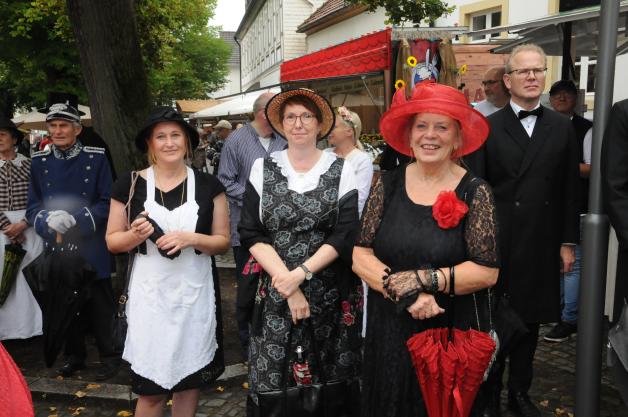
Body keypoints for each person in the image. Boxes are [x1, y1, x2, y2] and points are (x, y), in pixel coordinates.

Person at [353, 80, 499, 417]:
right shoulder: (387, 185)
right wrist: (406, 294)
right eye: (421, 125)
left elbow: (486, 271)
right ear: (409, 134)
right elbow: (361, 255)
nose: (429, 135)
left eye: (441, 127)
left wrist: (423, 280)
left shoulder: (475, 192)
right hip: (389, 330)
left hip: (447, 336)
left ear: (458, 138)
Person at [465, 44, 580, 417]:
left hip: (541, 241)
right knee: (494, 319)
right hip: (498, 242)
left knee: (530, 323)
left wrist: (567, 241)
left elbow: (568, 190)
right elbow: (477, 189)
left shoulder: (562, 127)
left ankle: (519, 392)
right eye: (524, 71)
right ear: (508, 80)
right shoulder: (487, 127)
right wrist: (476, 245)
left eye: (538, 71)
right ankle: (489, 393)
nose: (532, 77)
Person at [238, 89, 362, 409]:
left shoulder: (341, 169)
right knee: (275, 384)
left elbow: (344, 233)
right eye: (291, 116)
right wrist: (289, 283)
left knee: (330, 381)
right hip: (276, 290)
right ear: (280, 124)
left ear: (320, 124)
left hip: (329, 291)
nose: (299, 124)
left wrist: (303, 272)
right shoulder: (262, 169)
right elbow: (251, 231)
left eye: (306, 116)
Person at [105, 107, 230, 417]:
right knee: (151, 394)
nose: (169, 142)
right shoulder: (129, 185)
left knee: (188, 387)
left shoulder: (208, 186)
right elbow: (112, 241)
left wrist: (191, 238)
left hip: (194, 299)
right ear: (150, 143)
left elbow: (223, 241)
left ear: (187, 142)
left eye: (176, 135)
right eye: (161, 136)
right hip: (150, 301)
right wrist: (135, 235)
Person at [26, 101, 119, 380]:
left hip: (91, 243)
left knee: (100, 304)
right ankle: (74, 356)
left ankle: (111, 357)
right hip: (58, 245)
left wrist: (78, 218)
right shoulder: (39, 162)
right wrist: (46, 220)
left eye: (63, 125)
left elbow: (108, 202)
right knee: (65, 302)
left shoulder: (96, 158)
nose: (57, 130)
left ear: (77, 129)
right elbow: (32, 208)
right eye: (52, 126)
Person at [217, 93, 287, 356]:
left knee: (279, 281)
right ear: (262, 113)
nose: (283, 117)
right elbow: (224, 180)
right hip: (245, 230)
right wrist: (255, 197)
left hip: (281, 230)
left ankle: (276, 334)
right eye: (278, 111)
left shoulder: (284, 139)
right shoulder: (236, 140)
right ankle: (247, 341)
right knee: (248, 285)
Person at [544, 80, 593, 343]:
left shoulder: (585, 128)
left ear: (575, 99)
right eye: (556, 94)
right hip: (548, 207)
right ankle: (557, 312)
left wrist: (555, 167)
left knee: (571, 265)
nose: (561, 97)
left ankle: (568, 319)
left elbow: (593, 168)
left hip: (578, 208)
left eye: (567, 94)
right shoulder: (543, 125)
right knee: (556, 264)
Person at [0, 117, 44, 340]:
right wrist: (7, 226)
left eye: (2, 134)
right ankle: (5, 331)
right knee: (3, 276)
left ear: (14, 138)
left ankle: (30, 328)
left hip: (28, 224)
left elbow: (39, 197)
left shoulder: (30, 164)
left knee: (27, 275)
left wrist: (24, 224)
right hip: (1, 228)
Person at [327, 106, 374, 215]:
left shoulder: (362, 160)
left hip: (345, 222)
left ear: (349, 131)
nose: (329, 129)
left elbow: (359, 200)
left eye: (334, 126)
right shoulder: (325, 153)